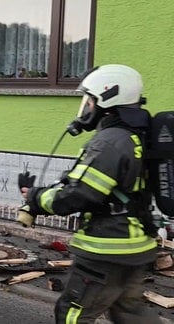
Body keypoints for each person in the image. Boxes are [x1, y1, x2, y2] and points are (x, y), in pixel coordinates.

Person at [17, 64, 160, 323]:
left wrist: (35, 199)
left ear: (107, 98)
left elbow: (79, 195)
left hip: (106, 249)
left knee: (73, 314)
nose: (85, 107)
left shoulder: (109, 142)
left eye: (89, 100)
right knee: (131, 314)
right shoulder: (135, 136)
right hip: (136, 246)